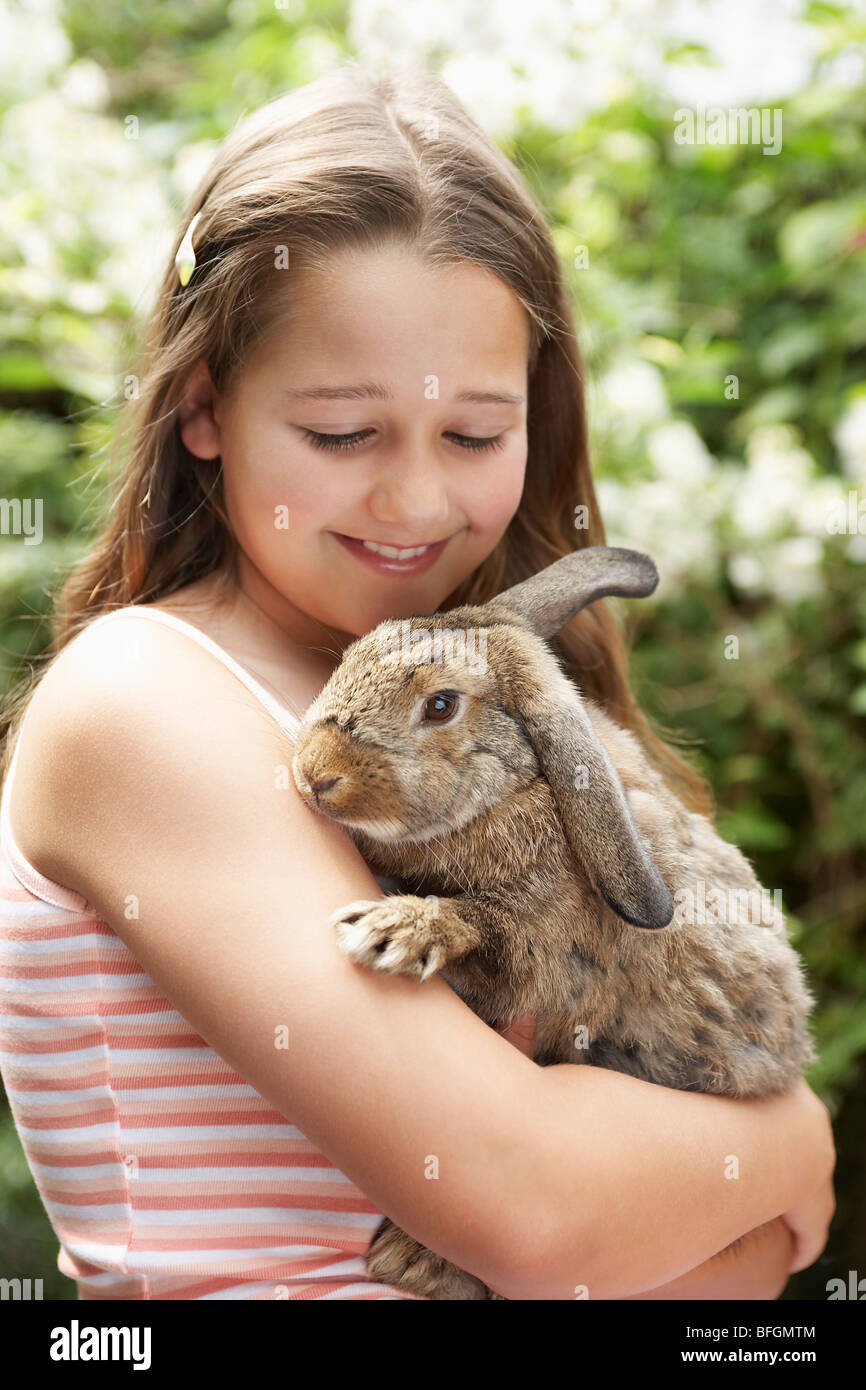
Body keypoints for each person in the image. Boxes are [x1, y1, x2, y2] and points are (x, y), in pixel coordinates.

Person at [0, 59, 834, 1301]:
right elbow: (544, 1218)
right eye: (339, 433)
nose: (414, 501)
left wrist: (724, 1205)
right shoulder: (150, 704)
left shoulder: (482, 701)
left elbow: (739, 1266)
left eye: (475, 435)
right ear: (200, 406)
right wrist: (789, 1145)